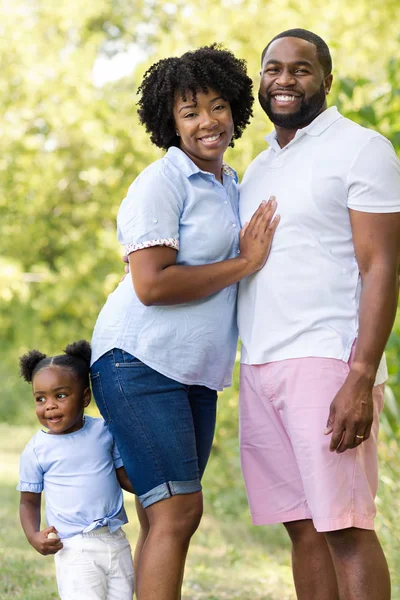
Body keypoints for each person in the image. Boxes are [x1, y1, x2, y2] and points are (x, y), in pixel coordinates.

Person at [90, 44, 279, 600]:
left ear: (237, 110)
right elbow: (150, 284)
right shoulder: (162, 181)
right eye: (190, 111)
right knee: (179, 509)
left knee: (165, 514)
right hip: (139, 359)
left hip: (193, 370)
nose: (208, 122)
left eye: (218, 107)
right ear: (169, 121)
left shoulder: (229, 183)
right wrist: (244, 263)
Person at [238, 28, 400, 600]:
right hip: (260, 365)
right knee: (302, 528)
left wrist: (360, 374)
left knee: (346, 527)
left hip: (328, 363)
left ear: (326, 79)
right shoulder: (256, 168)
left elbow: (382, 267)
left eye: (300, 69)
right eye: (273, 68)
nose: (284, 80)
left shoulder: (362, 148)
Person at [17, 340, 135, 600]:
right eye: (40, 398)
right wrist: (33, 536)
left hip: (115, 539)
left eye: (60, 395)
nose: (49, 405)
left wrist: (156, 486)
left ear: (85, 397)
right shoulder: (37, 450)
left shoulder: (104, 431)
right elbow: (28, 502)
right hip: (74, 547)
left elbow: (123, 476)